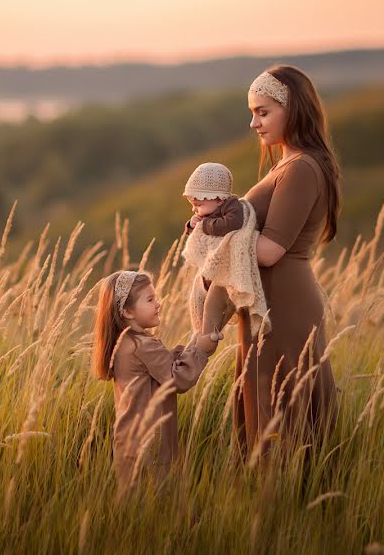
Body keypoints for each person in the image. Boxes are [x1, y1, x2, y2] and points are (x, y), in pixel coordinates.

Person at [236, 65, 343, 461]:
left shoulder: (301, 167)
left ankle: (294, 503)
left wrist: (217, 234)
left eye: (263, 112)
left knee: (283, 413)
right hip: (269, 305)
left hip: (285, 305)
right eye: (252, 112)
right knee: (266, 407)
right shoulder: (288, 163)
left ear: (293, 109)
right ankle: (269, 505)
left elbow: (268, 252)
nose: (253, 123)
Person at [91, 270, 219, 488]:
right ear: (128, 311)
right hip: (152, 443)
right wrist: (201, 351)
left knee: (136, 502)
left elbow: (166, 366)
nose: (158, 304)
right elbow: (179, 378)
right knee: (159, 499)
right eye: (150, 299)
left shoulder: (125, 343)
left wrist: (194, 344)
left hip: (129, 440)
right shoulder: (143, 345)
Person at [181, 162, 269, 342]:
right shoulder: (210, 211)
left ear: (218, 198)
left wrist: (204, 225)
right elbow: (198, 235)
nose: (194, 209)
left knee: (214, 307)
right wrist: (191, 225)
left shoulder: (233, 207)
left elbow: (232, 225)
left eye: (197, 204)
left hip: (226, 272)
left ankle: (209, 334)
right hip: (210, 271)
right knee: (196, 298)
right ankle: (199, 332)